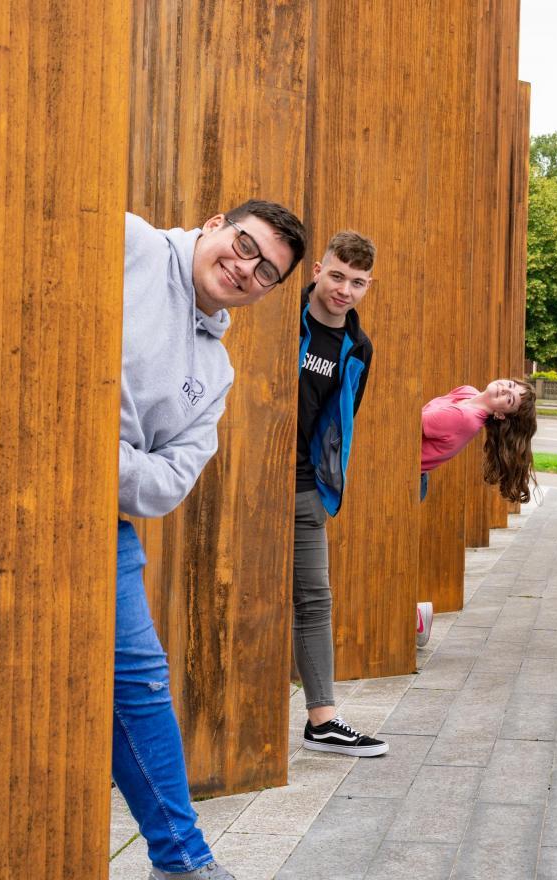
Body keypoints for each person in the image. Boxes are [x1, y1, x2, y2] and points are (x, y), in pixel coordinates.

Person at [119, 200, 307, 880]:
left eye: (264, 272)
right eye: (243, 243)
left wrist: (96, 455)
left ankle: (182, 862)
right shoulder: (128, 242)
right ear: (212, 225)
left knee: (138, 682)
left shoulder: (216, 372)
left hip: (96, 522)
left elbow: (167, 484)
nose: (244, 267)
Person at [294, 230, 387, 758]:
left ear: (367, 285)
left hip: (306, 486)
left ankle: (322, 720)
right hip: (249, 486)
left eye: (357, 282)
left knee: (315, 598)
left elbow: (343, 419)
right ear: (316, 272)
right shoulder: (284, 320)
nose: (344, 290)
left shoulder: (358, 348)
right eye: (336, 275)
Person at [417, 378, 538, 645]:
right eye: (508, 385)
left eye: (509, 399)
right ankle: (414, 615)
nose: (504, 390)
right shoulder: (466, 393)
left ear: (500, 414)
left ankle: (412, 616)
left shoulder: (464, 417)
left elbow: (403, 422)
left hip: (406, 482)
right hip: (410, 477)